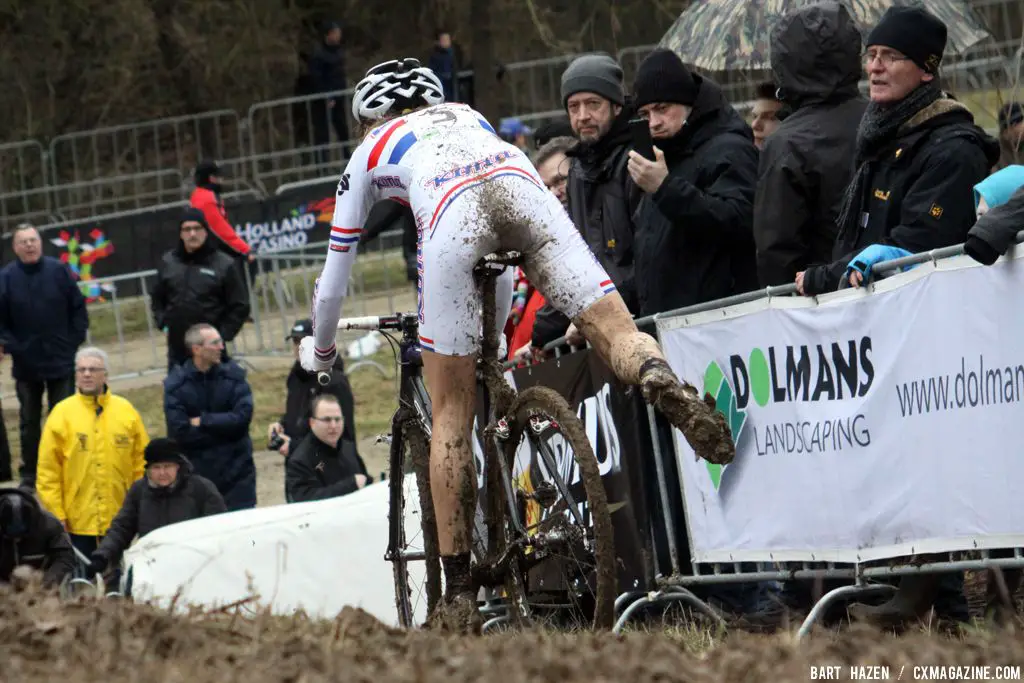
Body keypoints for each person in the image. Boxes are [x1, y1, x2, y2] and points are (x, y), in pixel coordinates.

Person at [300, 57, 734, 631]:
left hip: (452, 221)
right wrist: (497, 344)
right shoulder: (470, 116)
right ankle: (658, 377)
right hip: (523, 193)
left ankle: (457, 593)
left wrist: (322, 354)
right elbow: (500, 269)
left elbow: (332, 283)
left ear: (366, 118)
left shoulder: (367, 152)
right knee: (619, 332)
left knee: (452, 410)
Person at [795, 5, 999, 296]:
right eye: (872, 54)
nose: (875, 66)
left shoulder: (954, 151)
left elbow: (919, 243)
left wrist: (825, 278)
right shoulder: (878, 136)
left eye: (891, 56)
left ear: (926, 70)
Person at [754, 1, 868, 288]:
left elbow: (777, 249)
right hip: (888, 283)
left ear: (785, 62)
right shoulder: (883, 116)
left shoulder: (786, 143)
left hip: (821, 299)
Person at [36, 347, 148, 560]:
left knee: (119, 580)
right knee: (81, 584)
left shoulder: (126, 411)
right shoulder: (61, 414)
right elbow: (48, 471)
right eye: (81, 370)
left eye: (93, 369)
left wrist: (140, 506)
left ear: (105, 375)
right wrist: (56, 514)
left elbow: (141, 463)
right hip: (77, 520)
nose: (87, 374)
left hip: (120, 519)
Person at [0, 223, 88, 489]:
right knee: (29, 422)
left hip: (61, 361)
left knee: (64, 417)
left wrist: (74, 341)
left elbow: (78, 308)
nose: (29, 245)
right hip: (26, 366)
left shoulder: (58, 271)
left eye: (33, 240)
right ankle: (31, 473)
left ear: (40, 242)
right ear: (15, 248)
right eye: (23, 241)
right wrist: (15, 346)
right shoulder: (6, 278)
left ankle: (66, 466)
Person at [86, 438, 226, 578]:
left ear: (178, 466)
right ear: (148, 470)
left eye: (167, 466)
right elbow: (122, 528)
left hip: (193, 569)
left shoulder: (201, 489)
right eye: (156, 468)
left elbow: (219, 529)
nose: (162, 473)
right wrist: (102, 555)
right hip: (151, 568)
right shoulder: (139, 491)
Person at [164, 324, 257, 512]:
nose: (221, 347)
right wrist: (224, 429)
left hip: (238, 475)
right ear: (197, 349)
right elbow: (180, 432)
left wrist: (204, 422)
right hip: (198, 478)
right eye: (214, 343)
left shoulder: (235, 378)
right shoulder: (176, 386)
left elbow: (242, 420)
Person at [151, 209, 251, 370]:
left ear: (206, 231)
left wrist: (222, 336)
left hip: (211, 350)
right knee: (179, 391)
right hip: (178, 348)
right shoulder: (168, 262)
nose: (192, 234)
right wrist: (163, 323)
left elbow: (240, 305)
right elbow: (157, 298)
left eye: (197, 228)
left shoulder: (224, 264)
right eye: (187, 229)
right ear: (181, 234)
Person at [266, 318, 357, 457]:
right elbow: (296, 414)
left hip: (327, 465)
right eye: (295, 341)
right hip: (298, 463)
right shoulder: (295, 376)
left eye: (303, 341)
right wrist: (281, 426)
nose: (298, 347)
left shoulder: (334, 381)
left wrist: (295, 446)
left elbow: (341, 434)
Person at [285, 394, 370, 503]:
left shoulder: (348, 447)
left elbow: (365, 480)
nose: (333, 425)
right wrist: (350, 485)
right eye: (327, 420)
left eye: (337, 419)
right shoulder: (299, 462)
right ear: (312, 423)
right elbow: (305, 502)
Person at [0, 487, 76, 588]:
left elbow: (64, 557)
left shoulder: (49, 524)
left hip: (40, 584)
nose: (17, 539)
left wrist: (47, 582)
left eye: (22, 535)